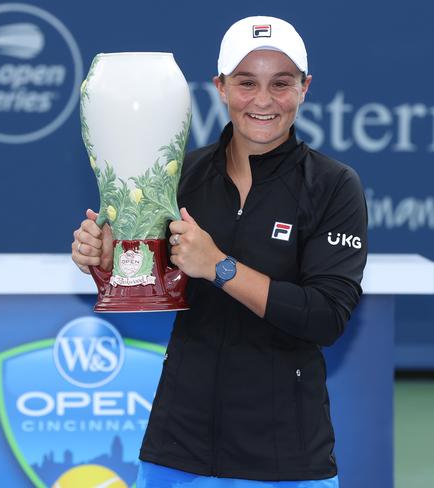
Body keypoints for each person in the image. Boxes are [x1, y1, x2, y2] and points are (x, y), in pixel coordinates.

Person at [71, 15, 367, 488]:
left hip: (284, 457)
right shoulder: (178, 177)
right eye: (247, 83)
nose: (264, 100)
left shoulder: (333, 186)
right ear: (221, 87)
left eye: (281, 84)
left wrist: (220, 267)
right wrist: (109, 262)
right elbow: (149, 285)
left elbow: (326, 317)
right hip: (177, 451)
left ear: (305, 88)